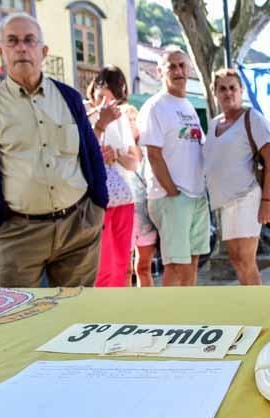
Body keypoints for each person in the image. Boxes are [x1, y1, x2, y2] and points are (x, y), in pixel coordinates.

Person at [0, 12, 109, 287]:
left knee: (75, 318)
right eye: (12, 41)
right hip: (17, 234)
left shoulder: (69, 97)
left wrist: (98, 204)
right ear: (0, 50)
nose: (21, 48)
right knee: (18, 320)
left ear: (43, 51)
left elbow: (90, 152)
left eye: (29, 40)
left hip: (78, 228)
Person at [137, 48, 209, 287]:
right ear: (160, 72)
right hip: (172, 197)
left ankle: (189, 319)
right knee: (176, 266)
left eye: (182, 65)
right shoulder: (156, 106)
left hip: (196, 195)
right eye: (172, 67)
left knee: (193, 261)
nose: (178, 71)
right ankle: (167, 320)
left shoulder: (187, 105)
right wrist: (172, 191)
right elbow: (153, 154)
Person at [203, 68, 270, 285]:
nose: (228, 93)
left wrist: (266, 201)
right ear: (215, 93)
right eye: (222, 89)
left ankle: (258, 311)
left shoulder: (252, 117)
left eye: (233, 88)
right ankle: (250, 305)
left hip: (248, 197)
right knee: (235, 259)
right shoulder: (214, 123)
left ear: (241, 90)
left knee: (246, 259)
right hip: (225, 202)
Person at [86, 65, 140, 287]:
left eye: (112, 101)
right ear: (93, 92)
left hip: (123, 199)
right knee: (101, 269)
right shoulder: (82, 114)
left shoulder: (121, 119)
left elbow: (134, 162)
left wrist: (116, 155)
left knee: (122, 267)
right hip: (95, 202)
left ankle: (119, 316)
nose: (106, 106)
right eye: (101, 99)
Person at [124, 103, 158, 287]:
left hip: (147, 215)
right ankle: (128, 312)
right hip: (126, 215)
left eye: (132, 119)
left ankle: (147, 311)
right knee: (126, 269)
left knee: (144, 267)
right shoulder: (118, 150)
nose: (130, 124)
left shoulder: (147, 149)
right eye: (126, 120)